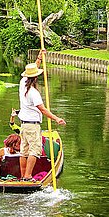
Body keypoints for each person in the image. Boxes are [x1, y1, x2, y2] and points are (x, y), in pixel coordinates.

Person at [18, 49, 66, 181]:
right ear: (36, 77)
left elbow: (33, 69)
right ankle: (27, 176)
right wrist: (57, 119)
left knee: (24, 151)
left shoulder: (22, 84)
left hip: (23, 125)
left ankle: (23, 176)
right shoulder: (34, 93)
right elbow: (43, 110)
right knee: (35, 151)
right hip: (32, 126)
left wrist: (39, 58)